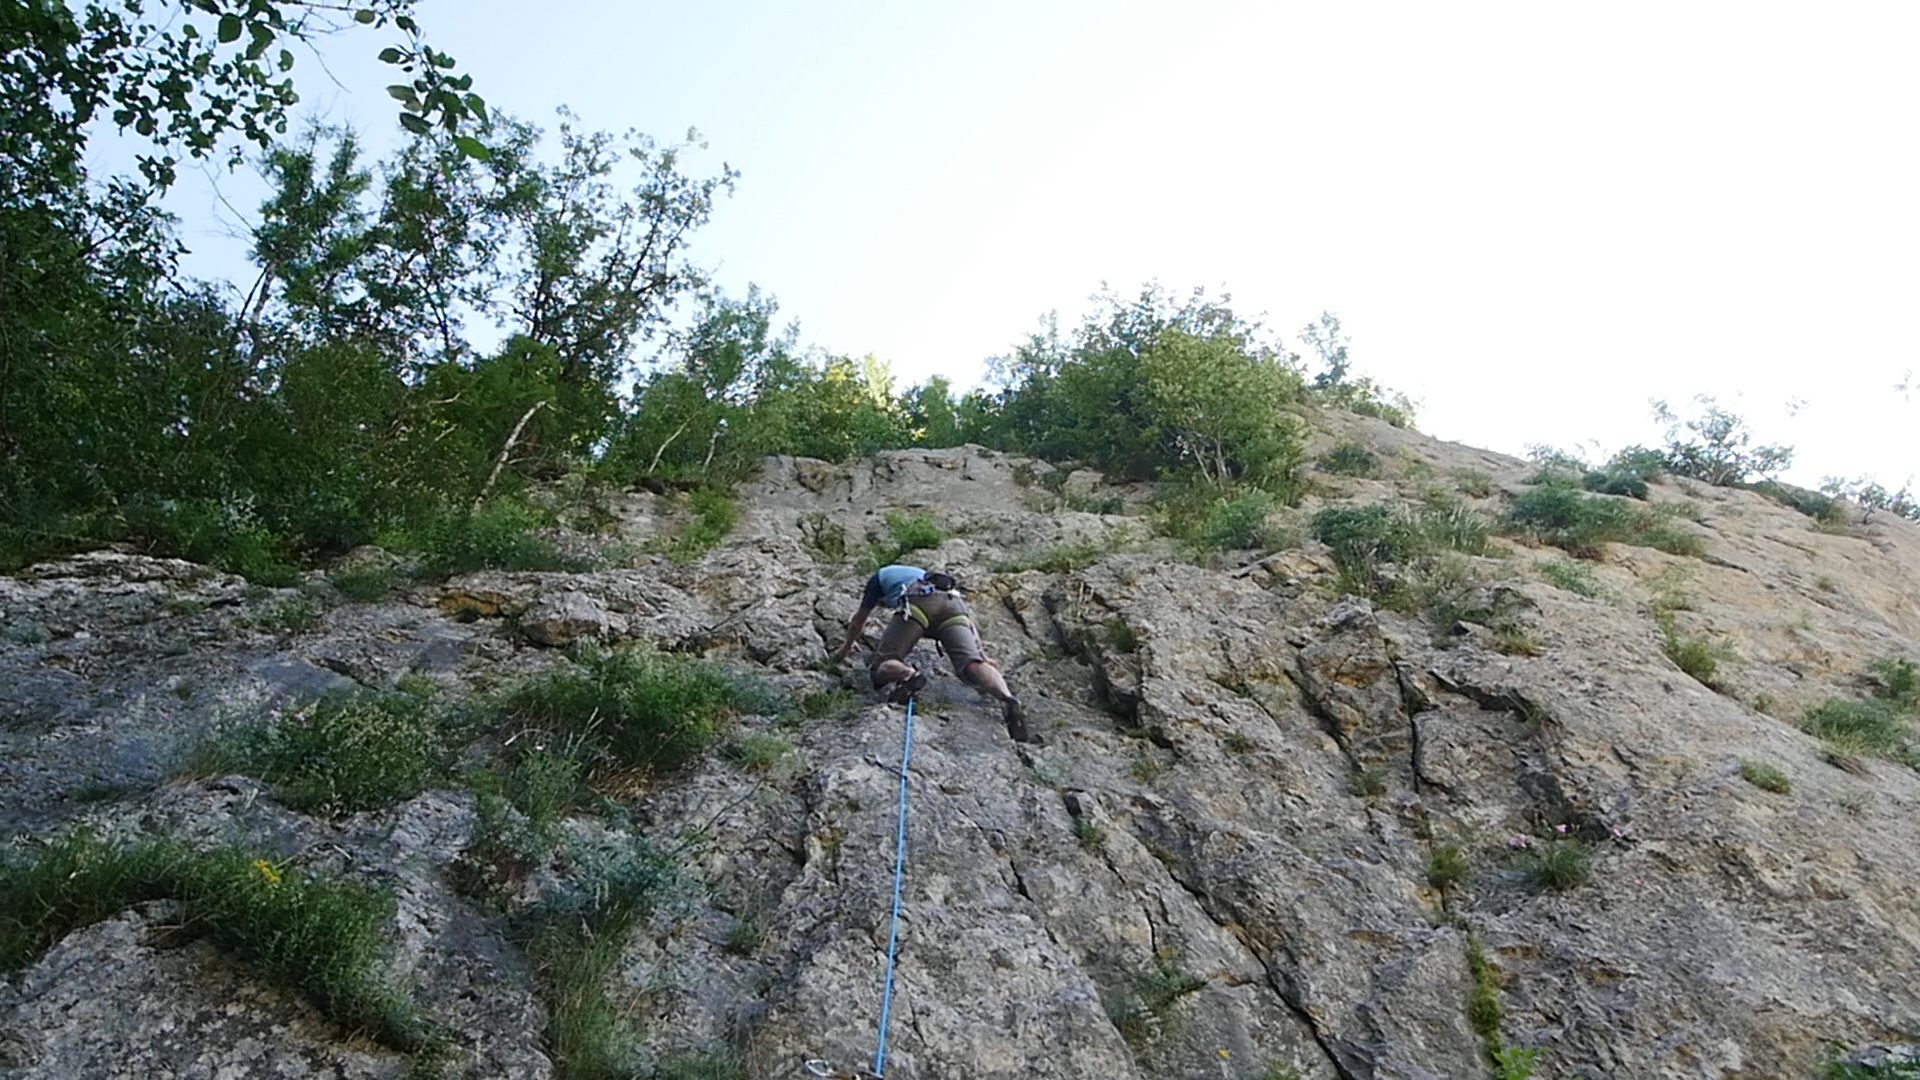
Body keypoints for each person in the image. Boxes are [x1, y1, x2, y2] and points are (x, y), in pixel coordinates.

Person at [831, 563, 1034, 743]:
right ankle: (1008, 699)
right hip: (953, 604)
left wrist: (847, 647)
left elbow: (860, 620)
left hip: (919, 601)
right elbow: (969, 624)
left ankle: (910, 676)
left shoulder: (878, 579)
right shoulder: (919, 574)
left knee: (883, 664)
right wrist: (981, 653)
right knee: (973, 665)